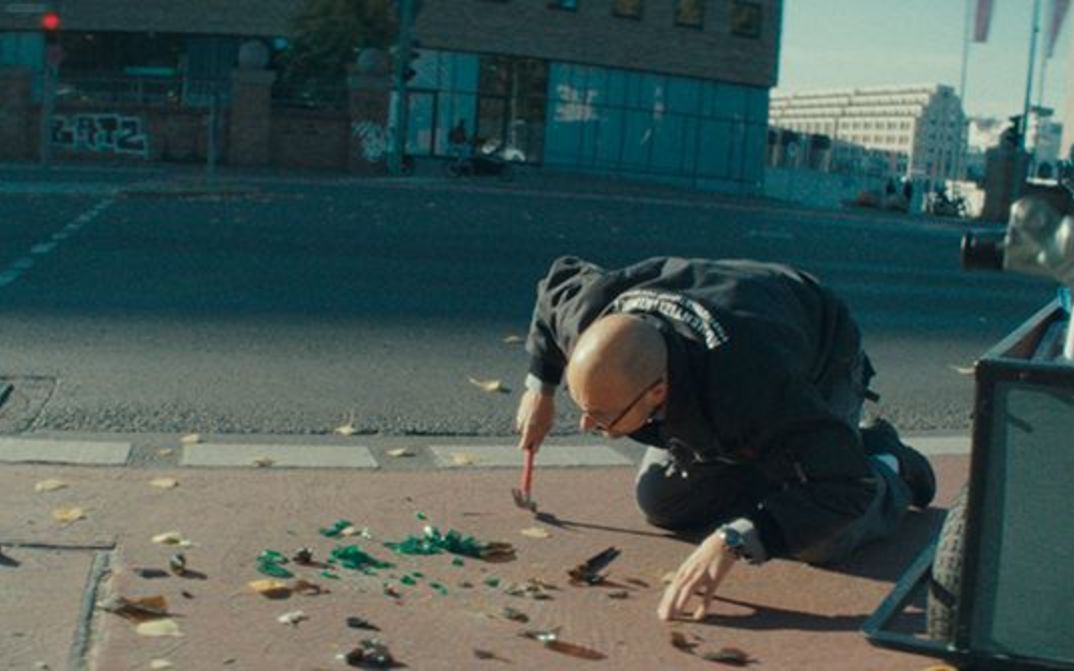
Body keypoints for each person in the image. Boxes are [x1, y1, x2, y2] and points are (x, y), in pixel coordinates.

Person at [514, 256, 935, 622]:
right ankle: (778, 472)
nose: (587, 426)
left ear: (658, 392)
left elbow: (846, 486)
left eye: (603, 415)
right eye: (583, 405)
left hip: (820, 356)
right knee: (661, 501)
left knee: (824, 539)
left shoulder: (755, 386)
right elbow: (557, 282)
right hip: (734, 322)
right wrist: (542, 388)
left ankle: (887, 459)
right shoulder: (590, 315)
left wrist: (735, 539)